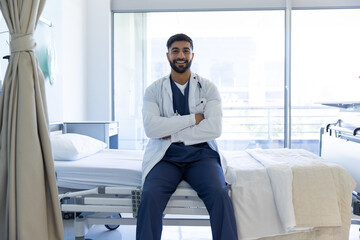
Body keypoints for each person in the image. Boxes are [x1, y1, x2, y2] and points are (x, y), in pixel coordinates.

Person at [136, 33, 238, 240]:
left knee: (220, 194)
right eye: (175, 51)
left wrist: (170, 131)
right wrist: (194, 119)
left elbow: (214, 128)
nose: (180, 55)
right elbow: (151, 129)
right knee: (149, 196)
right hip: (166, 158)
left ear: (192, 54)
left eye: (185, 51)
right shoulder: (153, 90)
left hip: (201, 156)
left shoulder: (208, 88)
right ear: (168, 56)